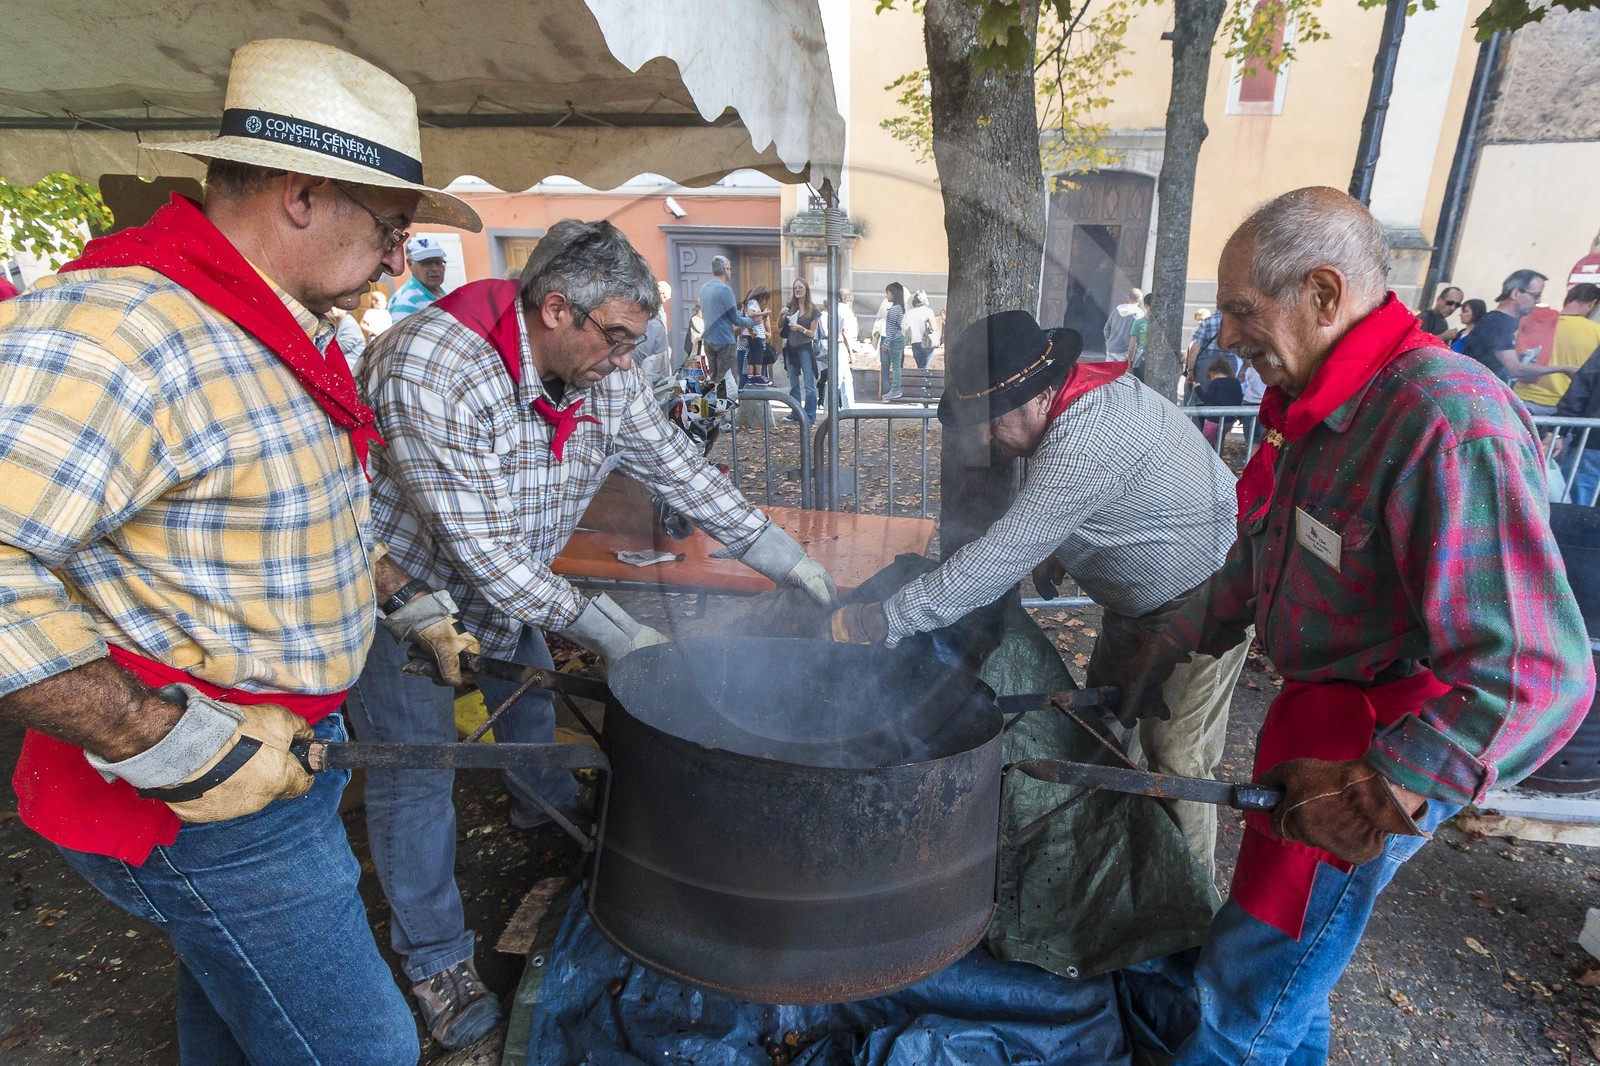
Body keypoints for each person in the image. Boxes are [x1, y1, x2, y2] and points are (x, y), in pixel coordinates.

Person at [0, 38, 487, 1063]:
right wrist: (159, 737)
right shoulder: (124, 326)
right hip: (198, 803)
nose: (403, 262)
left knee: (235, 1017)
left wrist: (402, 597)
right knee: (366, 1050)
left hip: (281, 771)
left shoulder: (282, 330)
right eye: (393, 229)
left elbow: (291, 521)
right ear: (302, 194)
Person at [1111, 187, 1593, 1065]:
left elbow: (1538, 671)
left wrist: (1385, 788)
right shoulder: (1316, 413)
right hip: (1314, 723)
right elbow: (1263, 559)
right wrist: (1175, 636)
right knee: (1294, 979)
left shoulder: (1445, 421)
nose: (1225, 339)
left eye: (1241, 312)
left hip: (1379, 746)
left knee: (1244, 988)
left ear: (1325, 295)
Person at [348, 218, 842, 1047]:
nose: (625, 361)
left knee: (534, 708)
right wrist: (617, 632)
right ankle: (436, 960)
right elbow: (482, 550)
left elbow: (675, 466)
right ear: (554, 311)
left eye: (632, 343)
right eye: (615, 339)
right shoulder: (432, 365)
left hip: (517, 591)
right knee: (416, 776)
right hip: (409, 597)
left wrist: (784, 557)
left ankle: (541, 811)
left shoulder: (605, 368)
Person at [831, 310, 1248, 876]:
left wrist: (885, 619)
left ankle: (1189, 901)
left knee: (1177, 757)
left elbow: (995, 562)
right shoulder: (1070, 408)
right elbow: (1090, 500)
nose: (984, 439)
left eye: (989, 420)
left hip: (1204, 601)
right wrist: (1059, 544)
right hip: (1138, 602)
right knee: (1104, 727)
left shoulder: (1091, 436)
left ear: (1035, 396)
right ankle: (1117, 861)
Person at [1461, 268, 1578, 387]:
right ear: (1515, 293)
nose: (1538, 301)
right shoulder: (1497, 322)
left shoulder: (1507, 321)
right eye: (1535, 295)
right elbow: (1515, 369)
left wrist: (1522, 358)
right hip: (1476, 394)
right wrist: (1564, 369)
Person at [1515, 284, 1598, 415]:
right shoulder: (1596, 331)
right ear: (1593, 304)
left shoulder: (1535, 322)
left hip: (1519, 400)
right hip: (1559, 407)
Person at [698, 255, 751, 386]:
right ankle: (727, 407)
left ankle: (715, 405)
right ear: (725, 269)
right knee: (728, 383)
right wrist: (752, 321)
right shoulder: (725, 290)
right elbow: (735, 319)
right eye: (730, 268)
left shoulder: (704, 288)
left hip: (709, 341)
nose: (730, 271)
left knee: (714, 380)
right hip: (724, 342)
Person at [779, 278, 821, 422]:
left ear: (806, 290)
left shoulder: (813, 310)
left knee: (809, 384)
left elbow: (812, 333)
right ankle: (795, 413)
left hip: (805, 349)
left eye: (800, 287)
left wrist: (800, 328)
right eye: (795, 287)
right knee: (794, 384)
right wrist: (781, 315)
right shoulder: (790, 306)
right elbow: (780, 326)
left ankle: (810, 415)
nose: (797, 290)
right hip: (791, 349)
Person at [390, 234, 450, 320]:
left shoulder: (436, 290)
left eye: (438, 262)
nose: (435, 269)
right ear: (410, 264)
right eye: (426, 263)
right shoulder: (406, 301)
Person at [1186, 305, 1239, 394]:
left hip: (1207, 362)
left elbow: (1195, 347)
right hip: (1230, 362)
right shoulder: (1236, 324)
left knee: (1204, 395)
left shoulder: (1207, 322)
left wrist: (1190, 370)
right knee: (1227, 395)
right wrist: (1244, 368)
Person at [1196, 356, 1244, 441]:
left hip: (1213, 419)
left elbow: (1206, 398)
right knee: (1220, 440)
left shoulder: (1215, 383)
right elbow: (1239, 400)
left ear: (1211, 373)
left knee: (1206, 442)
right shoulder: (1235, 382)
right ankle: (1219, 453)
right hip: (1229, 420)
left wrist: (1197, 388)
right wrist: (1240, 416)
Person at [331, 284, 370, 373]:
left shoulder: (349, 323)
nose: (333, 309)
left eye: (336, 306)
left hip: (352, 368)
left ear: (344, 307)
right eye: (331, 306)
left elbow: (342, 348)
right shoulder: (341, 322)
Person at [879, 281, 907, 400]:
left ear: (893, 294)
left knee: (895, 367)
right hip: (898, 338)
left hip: (894, 339)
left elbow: (891, 329)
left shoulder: (895, 309)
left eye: (888, 293)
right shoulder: (899, 308)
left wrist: (886, 343)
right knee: (896, 366)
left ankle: (896, 389)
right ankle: (895, 389)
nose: (886, 295)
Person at [743, 284, 774, 385]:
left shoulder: (751, 302)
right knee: (758, 355)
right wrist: (763, 314)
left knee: (752, 355)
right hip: (756, 334)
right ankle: (758, 376)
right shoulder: (753, 303)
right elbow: (751, 313)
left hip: (754, 333)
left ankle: (751, 376)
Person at [1103, 286, 1143, 361]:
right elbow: (1139, 335)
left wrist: (1109, 341)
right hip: (1125, 351)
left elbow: (1106, 329)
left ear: (1128, 297)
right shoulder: (1139, 314)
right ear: (1140, 300)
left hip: (1111, 349)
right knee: (1123, 373)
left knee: (1110, 372)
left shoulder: (1117, 310)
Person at [904, 289, 940, 369]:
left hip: (915, 343)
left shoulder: (910, 313)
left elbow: (905, 327)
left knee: (920, 366)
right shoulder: (929, 311)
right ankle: (924, 381)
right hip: (927, 342)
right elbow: (933, 328)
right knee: (925, 366)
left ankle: (921, 380)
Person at [1128, 291, 1153, 381]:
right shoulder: (1138, 322)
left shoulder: (1159, 325)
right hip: (1140, 360)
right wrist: (1128, 365)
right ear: (1146, 306)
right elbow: (1132, 345)